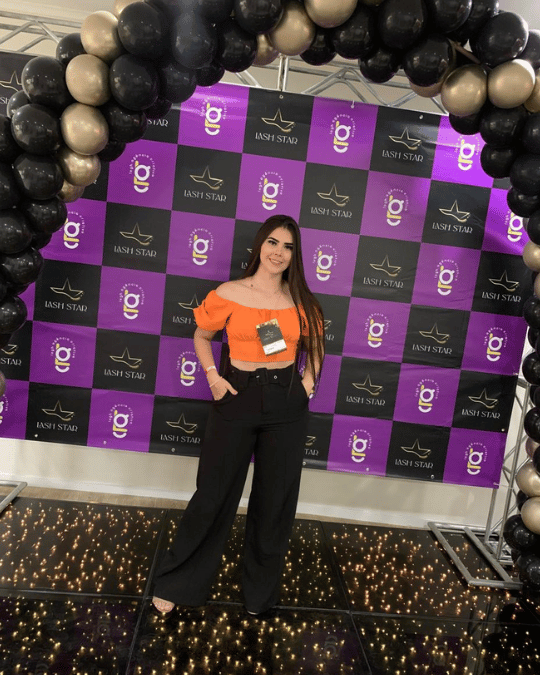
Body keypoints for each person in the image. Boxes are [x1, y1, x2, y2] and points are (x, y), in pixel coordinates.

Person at [151, 214, 325, 616]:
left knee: (274, 502)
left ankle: (260, 593)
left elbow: (315, 347)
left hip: (286, 402)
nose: (278, 252)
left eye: (288, 247)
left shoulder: (301, 300)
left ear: (295, 255)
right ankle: (178, 582)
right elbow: (202, 335)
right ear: (260, 245)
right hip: (237, 396)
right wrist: (213, 376)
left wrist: (307, 385)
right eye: (272, 242)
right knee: (213, 494)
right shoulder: (230, 292)